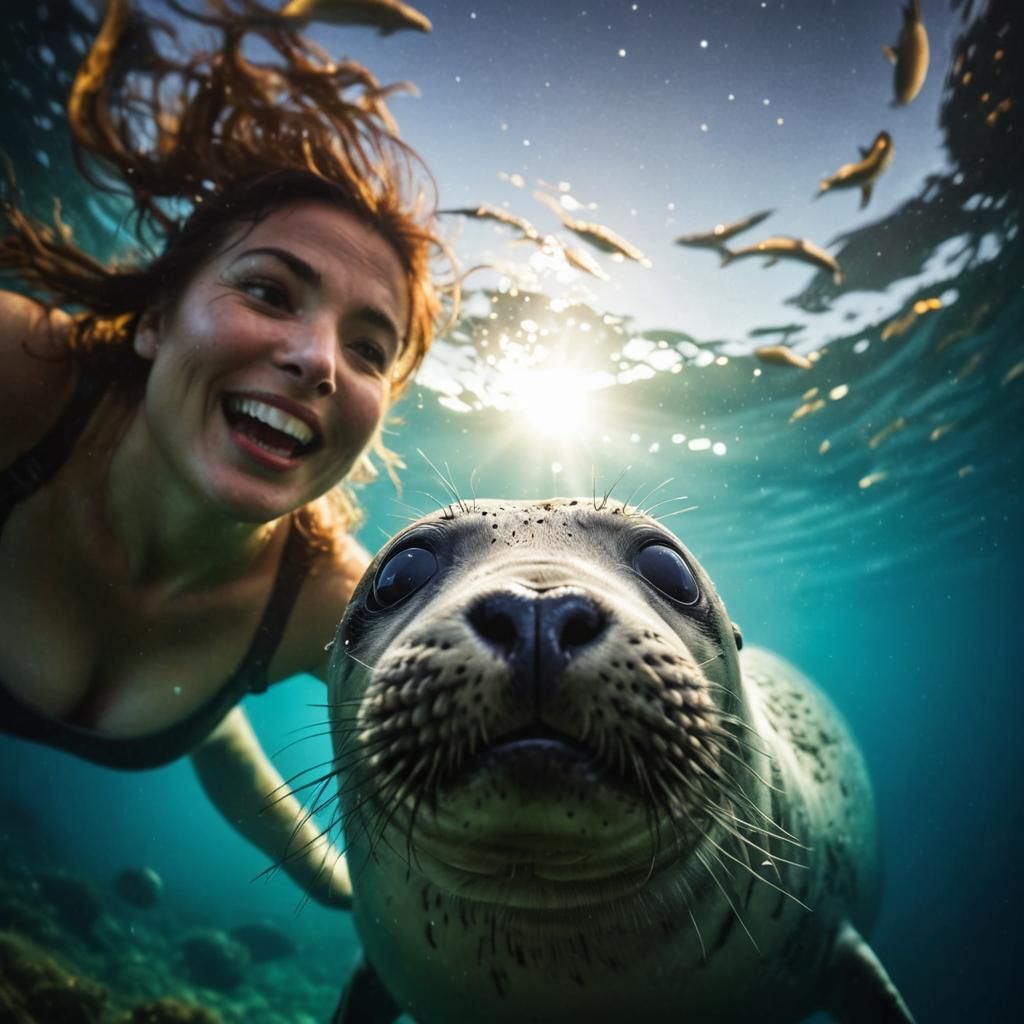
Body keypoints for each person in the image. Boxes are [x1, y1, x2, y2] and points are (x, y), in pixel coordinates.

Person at [0, 0, 454, 907]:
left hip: (208, 685)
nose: (319, 360)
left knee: (220, 738)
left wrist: (356, 896)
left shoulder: (331, 603)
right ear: (156, 320)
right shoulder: (22, 381)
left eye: (369, 350)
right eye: (270, 290)